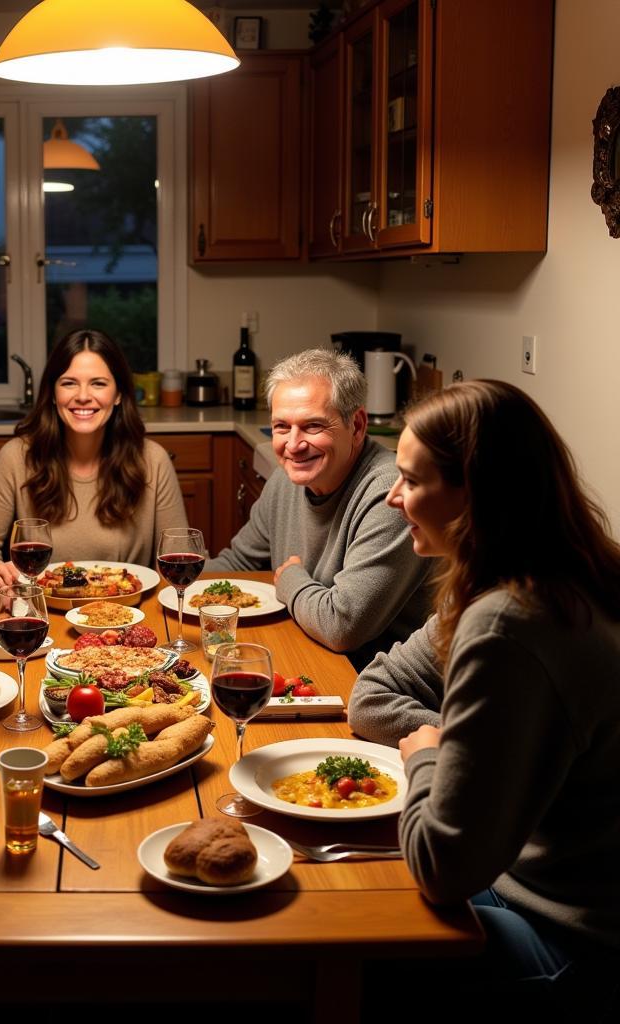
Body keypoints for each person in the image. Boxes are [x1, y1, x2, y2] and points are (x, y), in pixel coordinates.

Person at [348, 380, 620, 1014]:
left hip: (573, 941)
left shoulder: (509, 621)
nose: (392, 498)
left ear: (476, 494)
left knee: (332, 945)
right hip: (525, 882)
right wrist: (456, 746)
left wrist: (427, 754)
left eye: (411, 481)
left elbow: (444, 869)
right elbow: (377, 691)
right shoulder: (559, 570)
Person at [207, 348, 430, 665]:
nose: (293, 445)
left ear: (357, 426)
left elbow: (343, 626)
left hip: (369, 680)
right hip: (305, 649)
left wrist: (291, 580)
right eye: (281, 426)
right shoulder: (288, 478)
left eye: (313, 426)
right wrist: (171, 581)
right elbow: (241, 561)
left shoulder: (388, 495)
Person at [0, 329, 188, 607]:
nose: (83, 396)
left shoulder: (153, 460)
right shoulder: (15, 457)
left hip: (127, 617)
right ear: (53, 392)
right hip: (38, 615)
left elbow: (177, 556)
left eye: (98, 384)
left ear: (118, 394)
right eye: (69, 383)